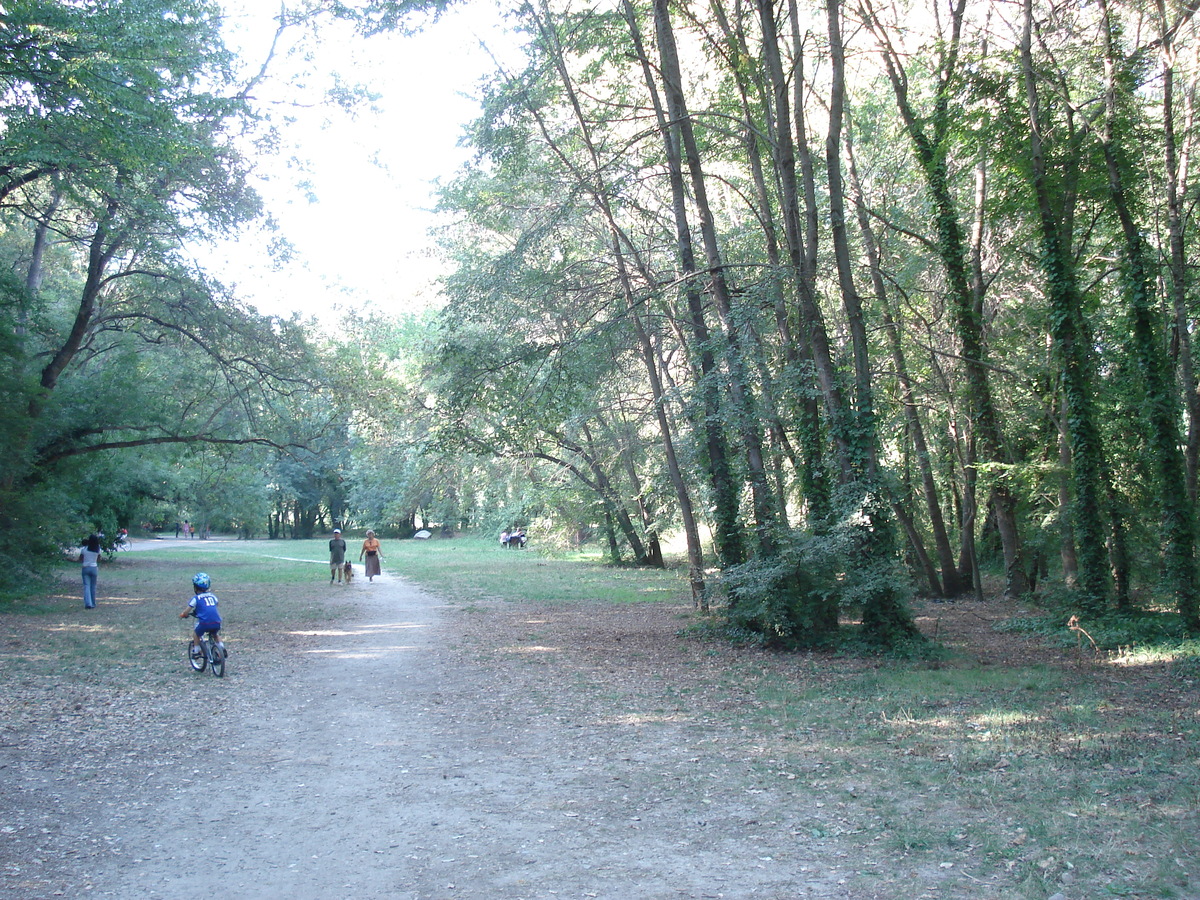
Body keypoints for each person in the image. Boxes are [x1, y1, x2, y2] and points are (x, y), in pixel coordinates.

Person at [179, 572, 223, 660]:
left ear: (195, 587)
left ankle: (196, 651)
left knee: (196, 634)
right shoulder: (212, 596)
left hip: (204, 623)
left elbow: (187, 610)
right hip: (216, 621)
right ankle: (222, 648)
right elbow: (216, 605)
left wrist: (183, 614)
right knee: (215, 634)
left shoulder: (196, 598)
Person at [79, 534, 101, 609]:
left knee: (86, 586)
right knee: (93, 586)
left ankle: (88, 603)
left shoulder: (84, 549)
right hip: (94, 568)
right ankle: (93, 603)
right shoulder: (97, 549)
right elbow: (99, 559)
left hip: (85, 568)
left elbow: (80, 559)